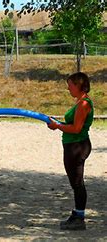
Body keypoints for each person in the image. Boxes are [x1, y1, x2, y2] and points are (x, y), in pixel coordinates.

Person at [47, 72, 94, 230]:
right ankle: (77, 214)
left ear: (79, 85)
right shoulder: (79, 102)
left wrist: (58, 126)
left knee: (77, 183)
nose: (68, 88)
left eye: (70, 85)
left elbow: (76, 128)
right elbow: (72, 124)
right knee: (75, 182)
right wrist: (58, 124)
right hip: (73, 145)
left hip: (77, 147)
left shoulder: (84, 104)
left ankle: (79, 218)